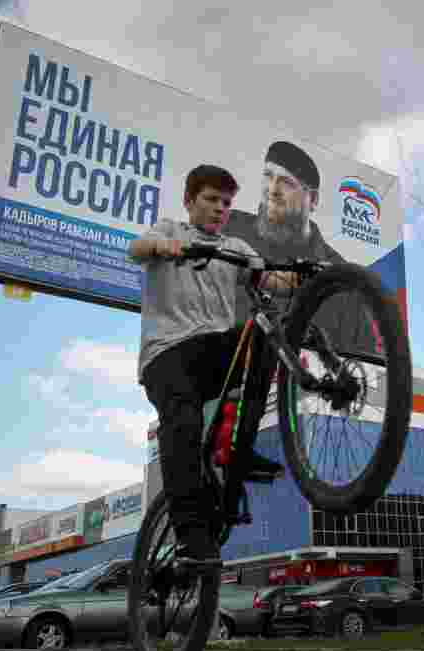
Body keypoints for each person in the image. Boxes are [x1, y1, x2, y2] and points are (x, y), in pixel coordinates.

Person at [129, 164, 298, 567]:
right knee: (183, 423)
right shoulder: (170, 230)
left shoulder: (236, 248)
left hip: (211, 355)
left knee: (264, 334)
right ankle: (190, 535)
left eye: (226, 202)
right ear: (190, 201)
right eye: (211, 199)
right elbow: (137, 248)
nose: (220, 208)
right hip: (166, 355)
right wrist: (162, 248)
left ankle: (240, 448)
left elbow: (270, 280)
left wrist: (300, 279)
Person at [222, 141, 345, 324]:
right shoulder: (227, 228)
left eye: (287, 182)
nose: (273, 189)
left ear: (313, 199)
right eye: (268, 175)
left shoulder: (340, 276)